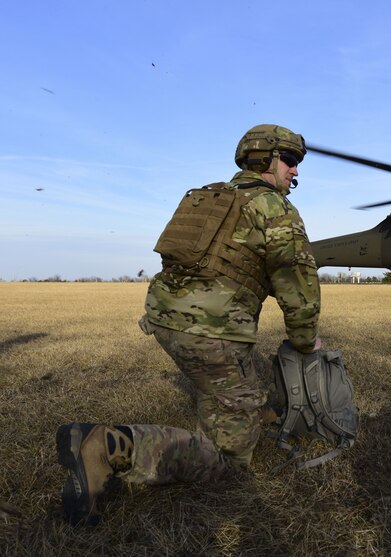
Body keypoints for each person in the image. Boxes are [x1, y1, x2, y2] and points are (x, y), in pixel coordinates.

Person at [55, 124, 321, 526]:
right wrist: (305, 342)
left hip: (167, 319)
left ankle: (242, 411)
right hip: (211, 333)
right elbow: (297, 284)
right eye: (290, 161)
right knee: (228, 464)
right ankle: (108, 447)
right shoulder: (274, 208)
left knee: (228, 394)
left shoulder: (210, 199)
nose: (295, 172)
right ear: (263, 159)